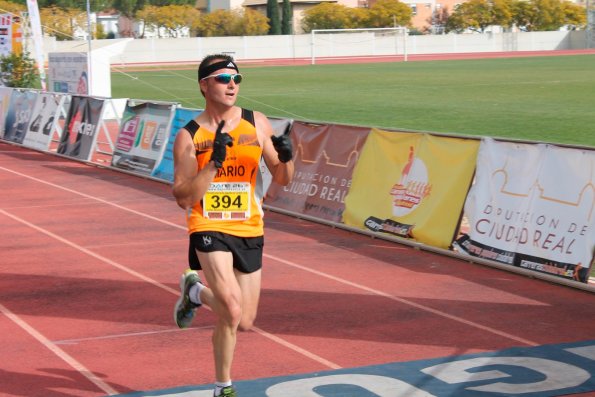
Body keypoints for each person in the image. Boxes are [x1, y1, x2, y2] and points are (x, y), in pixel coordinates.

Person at [172, 54, 294, 397]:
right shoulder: (189, 136)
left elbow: (283, 178)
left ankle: (194, 292)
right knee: (232, 304)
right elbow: (183, 197)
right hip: (207, 224)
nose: (231, 85)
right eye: (224, 78)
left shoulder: (257, 123)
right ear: (204, 85)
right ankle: (222, 387)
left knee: (243, 320)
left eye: (236, 79)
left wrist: (286, 157)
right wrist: (213, 164)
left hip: (249, 226)